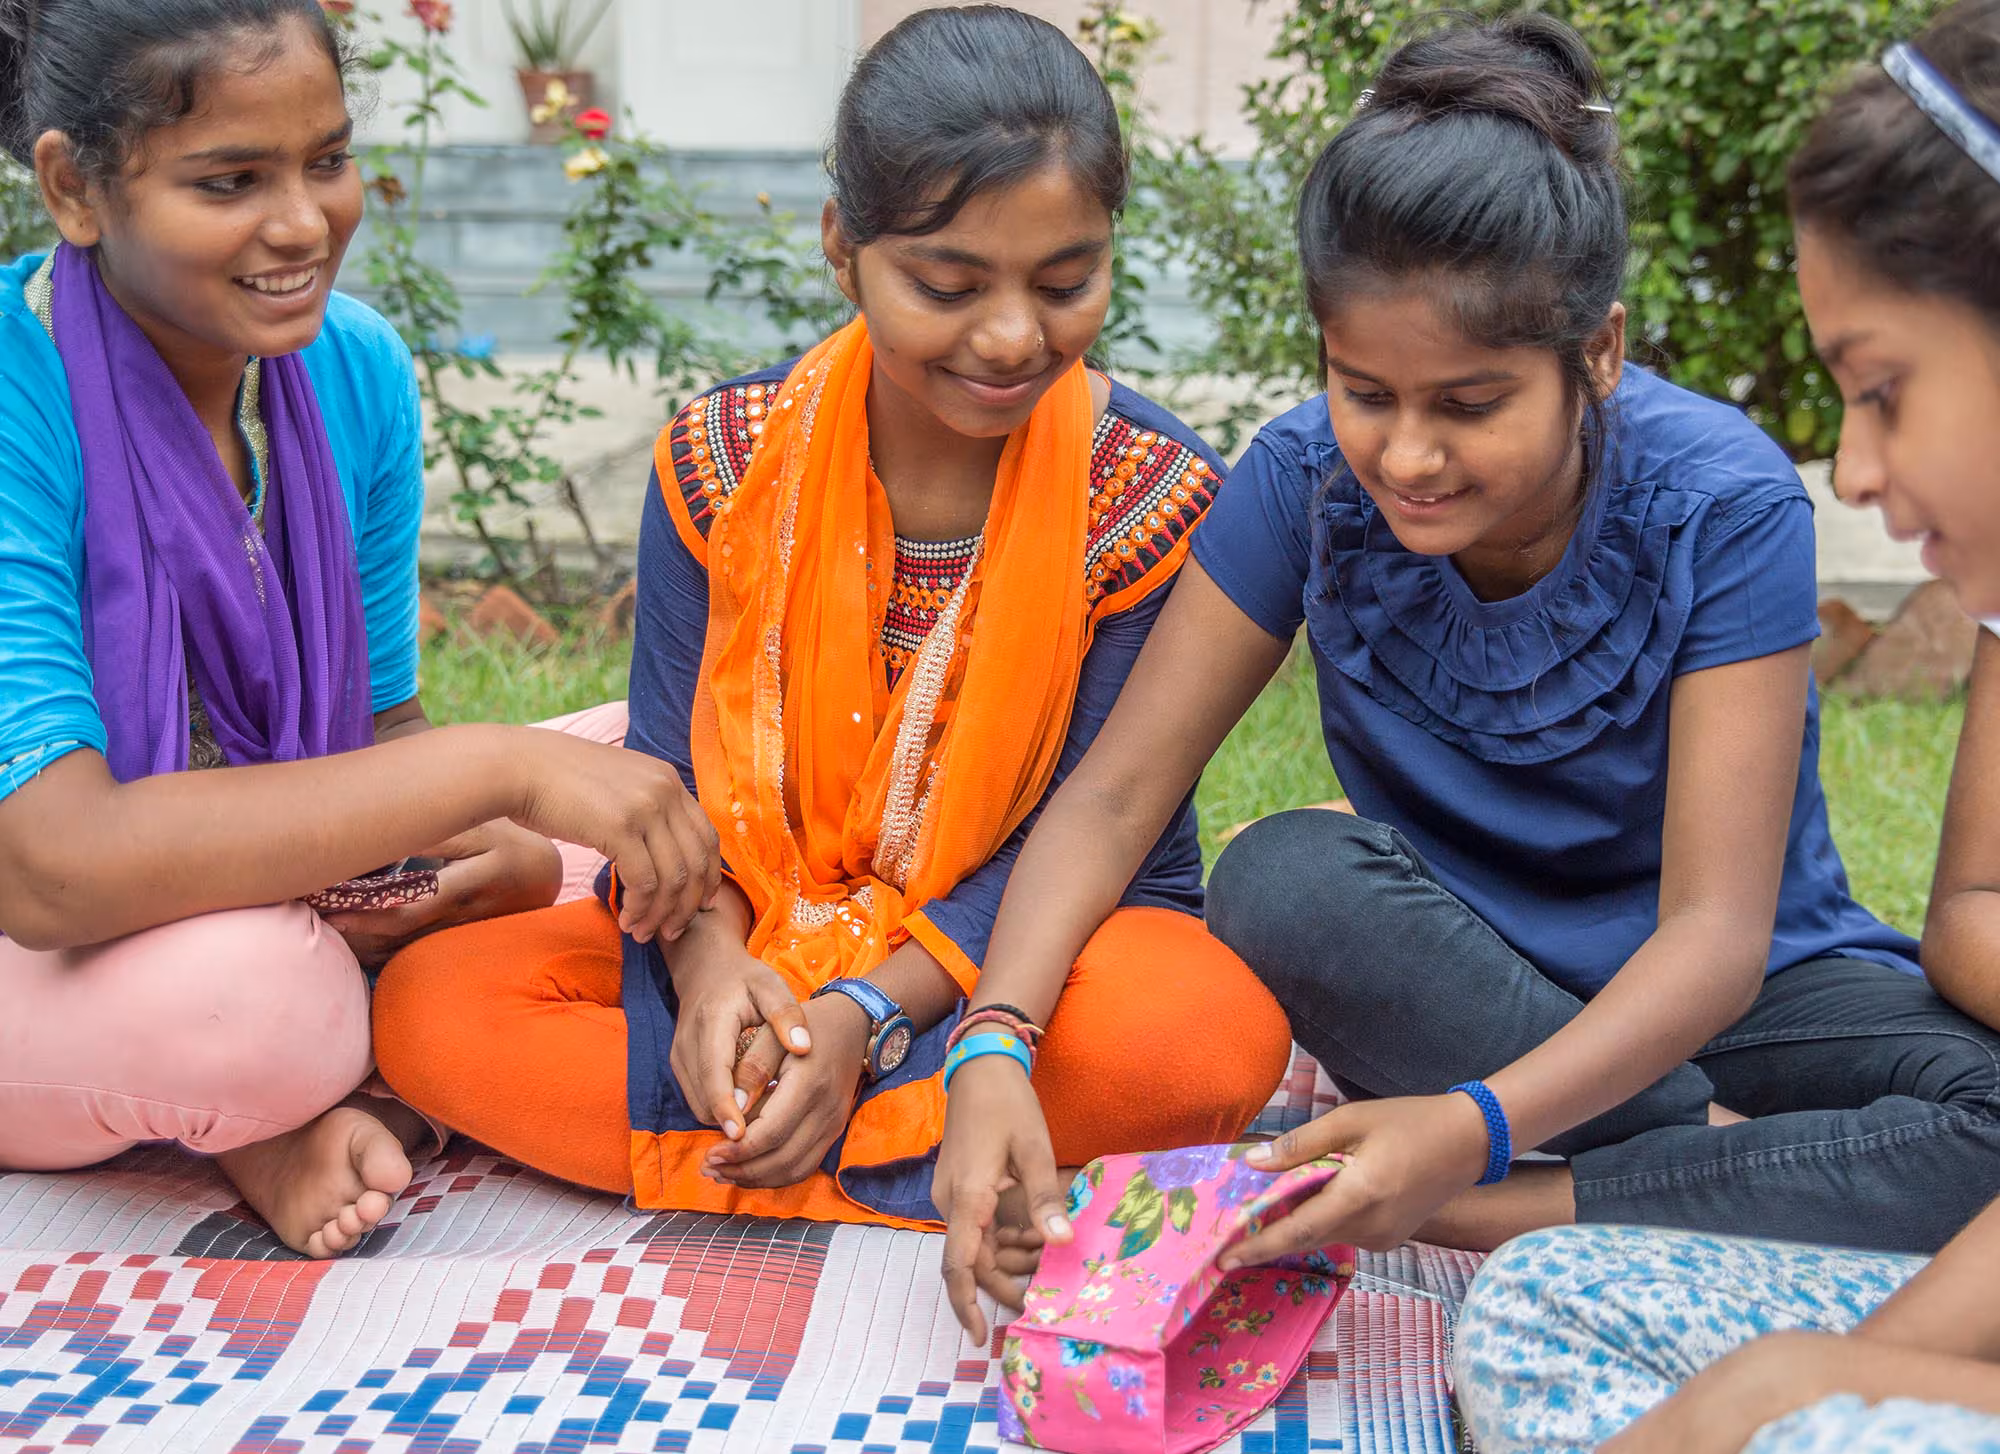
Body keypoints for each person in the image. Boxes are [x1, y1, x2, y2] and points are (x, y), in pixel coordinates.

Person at [930, 9, 2000, 1344]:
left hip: (1740, 992)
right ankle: (1729, 1168)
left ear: (1596, 356)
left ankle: (1469, 1203)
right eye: (1365, 391)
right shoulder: (1301, 480)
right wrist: (993, 1043)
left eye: (1471, 405)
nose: (1409, 456)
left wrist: (1472, 1132)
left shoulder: (1719, 498)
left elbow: (1716, 937)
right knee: (1284, 878)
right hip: (1464, 978)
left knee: (1990, 1117)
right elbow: (1113, 798)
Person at [369, 4, 1293, 1226]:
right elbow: (672, 774)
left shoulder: (1149, 491)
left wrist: (872, 1015)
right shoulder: (721, 456)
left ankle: (742, 1131)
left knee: (1199, 1040)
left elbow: (1095, 821)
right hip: (746, 923)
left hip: (1032, 962)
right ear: (839, 247)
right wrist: (709, 976)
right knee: (433, 1003)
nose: (1015, 335)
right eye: (947, 284)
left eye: (1066, 281)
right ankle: (859, 1127)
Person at [0, 0, 717, 1259]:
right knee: (258, 1002)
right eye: (229, 180)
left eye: (324, 162)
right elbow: (54, 867)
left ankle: (348, 1065)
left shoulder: (353, 371)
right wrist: (500, 771)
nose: (299, 224)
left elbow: (382, 733)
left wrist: (469, 856)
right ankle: (288, 1098)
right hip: (42, 929)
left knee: (668, 763)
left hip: (254, 884)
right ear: (74, 186)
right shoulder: (19, 392)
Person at [1456, 4, 2000, 1454]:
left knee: (1835, 1452)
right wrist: (1822, 1374)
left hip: (1792, 1020)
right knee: (1542, 1312)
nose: (1862, 467)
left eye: (1882, 389)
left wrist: (1813, 1393)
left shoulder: (1717, 500)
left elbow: (1731, 933)